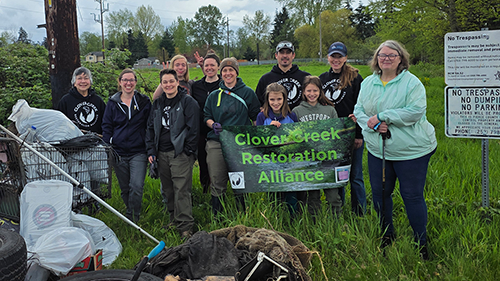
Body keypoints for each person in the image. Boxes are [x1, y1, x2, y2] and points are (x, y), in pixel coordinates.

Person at [353, 40, 437, 259]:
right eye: (382, 55)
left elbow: (415, 111)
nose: (386, 59)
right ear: (376, 59)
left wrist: (382, 116)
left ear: (401, 59)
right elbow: (359, 110)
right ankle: (386, 235)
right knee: (380, 195)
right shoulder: (368, 83)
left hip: (411, 151)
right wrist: (370, 123)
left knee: (412, 196)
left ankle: (421, 244)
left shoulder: (412, 83)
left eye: (392, 55)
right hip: (378, 149)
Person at [145, 69, 199, 239]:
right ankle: (173, 220)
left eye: (171, 81)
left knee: (181, 189)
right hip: (161, 153)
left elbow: (194, 128)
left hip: (180, 153)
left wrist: (187, 151)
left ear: (177, 82)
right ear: (161, 85)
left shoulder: (187, 102)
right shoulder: (158, 103)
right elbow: (150, 128)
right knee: (167, 190)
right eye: (165, 82)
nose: (168, 85)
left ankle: (185, 226)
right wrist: (151, 150)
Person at [204, 57, 260, 216]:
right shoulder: (214, 95)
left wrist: (257, 140)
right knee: (217, 180)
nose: (228, 73)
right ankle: (218, 217)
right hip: (217, 142)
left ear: (236, 72)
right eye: (224, 70)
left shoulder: (247, 93)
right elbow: (206, 116)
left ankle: (243, 215)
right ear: (221, 74)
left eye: (231, 70)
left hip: (240, 143)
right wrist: (212, 124)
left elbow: (255, 117)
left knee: (240, 180)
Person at [319, 42, 366, 216]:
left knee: (355, 176)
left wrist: (359, 133)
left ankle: (359, 212)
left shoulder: (355, 78)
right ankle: (338, 209)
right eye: (333, 56)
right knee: (337, 175)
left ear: (345, 58)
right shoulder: (322, 79)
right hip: (331, 135)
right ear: (328, 58)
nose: (336, 60)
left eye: (340, 56)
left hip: (352, 133)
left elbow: (362, 107)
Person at [102, 68, 151, 223]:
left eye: (131, 80)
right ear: (120, 82)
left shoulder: (144, 102)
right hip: (119, 152)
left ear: (135, 82)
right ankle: (130, 212)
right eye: (125, 80)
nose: (128, 83)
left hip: (139, 152)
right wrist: (107, 147)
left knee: (136, 186)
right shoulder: (112, 103)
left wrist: (150, 148)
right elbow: (107, 126)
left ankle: (134, 216)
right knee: (125, 188)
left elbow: (150, 126)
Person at [292, 76, 340, 217]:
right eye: (309, 91)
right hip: (309, 162)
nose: (312, 94)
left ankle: (335, 225)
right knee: (313, 198)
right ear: (303, 92)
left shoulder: (330, 111)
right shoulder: (297, 111)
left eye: (315, 90)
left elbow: (337, 135)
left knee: (333, 197)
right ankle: (315, 224)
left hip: (328, 161)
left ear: (320, 91)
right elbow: (294, 137)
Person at [256, 83, 298, 215]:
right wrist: (269, 130)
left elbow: (297, 139)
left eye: (279, 99)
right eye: (272, 99)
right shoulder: (262, 117)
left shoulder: (292, 116)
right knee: (273, 196)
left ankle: (293, 221)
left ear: (284, 99)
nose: (275, 102)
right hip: (270, 162)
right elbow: (258, 141)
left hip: (288, 162)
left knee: (291, 195)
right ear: (267, 100)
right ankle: (275, 220)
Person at [191, 51, 222, 192]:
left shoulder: (224, 84)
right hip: (201, 131)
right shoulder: (196, 86)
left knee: (221, 163)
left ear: (218, 67)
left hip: (221, 131)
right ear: (203, 67)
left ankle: (221, 190)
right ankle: (205, 190)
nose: (209, 68)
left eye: (212, 65)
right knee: (203, 163)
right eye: (206, 65)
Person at [255, 41, 310, 110]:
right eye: (281, 52)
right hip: (275, 119)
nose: (285, 56)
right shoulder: (266, 79)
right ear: (276, 55)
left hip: (299, 119)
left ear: (293, 55)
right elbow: (258, 104)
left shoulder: (305, 78)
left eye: (288, 52)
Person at [57, 66, 106, 134]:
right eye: (79, 78)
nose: (83, 81)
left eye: (86, 78)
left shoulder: (98, 100)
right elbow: (59, 123)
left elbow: (106, 122)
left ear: (90, 82)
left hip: (96, 140)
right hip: (73, 141)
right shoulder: (65, 101)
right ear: (74, 83)